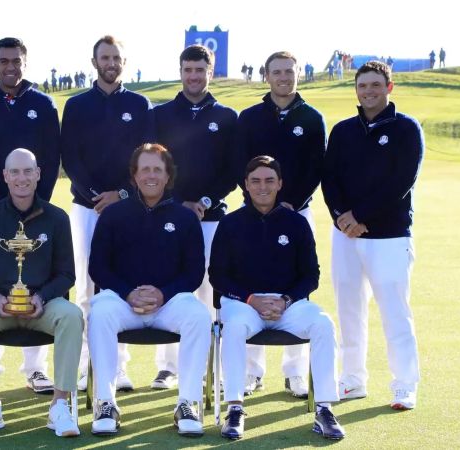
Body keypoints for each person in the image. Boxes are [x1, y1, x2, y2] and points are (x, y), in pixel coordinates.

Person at [211, 155, 345, 441]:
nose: (263, 187)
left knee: (323, 324)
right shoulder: (230, 224)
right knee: (232, 327)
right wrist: (251, 300)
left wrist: (286, 300)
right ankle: (235, 408)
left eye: (269, 180)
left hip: (288, 305)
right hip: (244, 304)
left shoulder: (296, 223)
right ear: (245, 184)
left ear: (280, 184)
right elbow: (218, 276)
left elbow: (311, 275)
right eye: (256, 181)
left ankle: (324, 409)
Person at [0, 148, 82, 437]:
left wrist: (40, 297)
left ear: (38, 174)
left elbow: (66, 274)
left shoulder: (57, 217)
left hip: (43, 306)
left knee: (72, 316)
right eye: (15, 171)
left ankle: (59, 405)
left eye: (27, 171)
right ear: (5, 176)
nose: (21, 178)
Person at [87, 143, 211, 437]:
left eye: (158, 169)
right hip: (122, 301)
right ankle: (105, 402)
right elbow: (98, 268)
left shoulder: (185, 218)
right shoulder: (113, 214)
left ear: (168, 176)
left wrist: (163, 294)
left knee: (199, 315)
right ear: (134, 176)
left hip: (168, 303)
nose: (151, 175)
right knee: (100, 312)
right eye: (145, 169)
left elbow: (193, 272)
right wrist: (128, 292)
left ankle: (187, 403)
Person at [322, 61, 423, 410]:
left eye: (375, 85)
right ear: (356, 89)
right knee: (348, 310)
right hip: (346, 237)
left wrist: (360, 216)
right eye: (363, 85)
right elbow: (329, 179)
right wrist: (341, 218)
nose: (369, 91)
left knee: (395, 312)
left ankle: (405, 385)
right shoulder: (343, 130)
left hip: (390, 236)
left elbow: (402, 181)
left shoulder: (406, 129)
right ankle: (352, 379)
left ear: (389, 87)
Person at [0, 37, 62, 393]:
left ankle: (36, 369)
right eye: (4, 61)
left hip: (37, 208)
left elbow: (51, 157)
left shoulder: (43, 104)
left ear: (25, 62)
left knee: (37, 279)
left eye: (17, 61)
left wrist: (38, 203)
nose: (11, 67)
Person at [61, 35, 154, 391]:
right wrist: (96, 196)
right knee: (86, 288)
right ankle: (89, 364)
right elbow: (70, 157)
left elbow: (146, 157)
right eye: (105, 57)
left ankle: (119, 366)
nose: (110, 62)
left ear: (124, 62)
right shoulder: (77, 105)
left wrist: (124, 194)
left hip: (130, 209)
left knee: (123, 284)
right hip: (86, 207)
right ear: (94, 61)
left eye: (116, 57)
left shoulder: (140, 104)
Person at [235, 51, 326, 398]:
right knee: (253, 286)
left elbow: (317, 167)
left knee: (297, 288)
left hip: (297, 213)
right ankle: (251, 371)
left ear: (298, 74)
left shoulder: (313, 118)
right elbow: (238, 165)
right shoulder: (250, 117)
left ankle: (295, 372)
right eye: (277, 72)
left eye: (289, 71)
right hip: (253, 216)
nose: (284, 77)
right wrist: (259, 202)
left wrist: (291, 203)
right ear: (266, 76)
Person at [152, 44, 237, 390]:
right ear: (181, 71)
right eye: (188, 70)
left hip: (212, 216)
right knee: (173, 289)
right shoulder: (161, 115)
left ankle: (207, 368)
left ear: (210, 72)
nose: (194, 76)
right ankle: (168, 366)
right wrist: (175, 202)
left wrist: (203, 200)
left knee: (210, 292)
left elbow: (233, 170)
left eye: (200, 70)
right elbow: (154, 167)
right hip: (168, 217)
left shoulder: (227, 117)